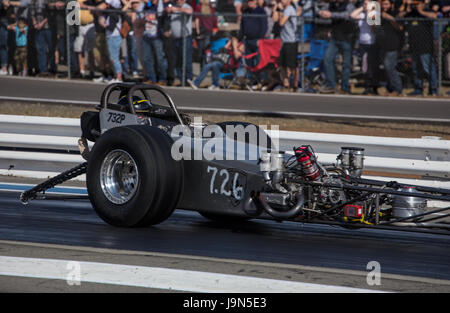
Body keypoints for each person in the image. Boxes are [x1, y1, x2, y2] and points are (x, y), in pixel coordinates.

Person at [398, 0, 438, 96]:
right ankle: (418, 89)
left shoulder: (427, 12)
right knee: (416, 69)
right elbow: (399, 17)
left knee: (427, 68)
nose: (416, 6)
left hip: (425, 46)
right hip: (413, 46)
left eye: (418, 3)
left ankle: (433, 89)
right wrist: (407, 8)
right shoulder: (411, 13)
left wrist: (421, 11)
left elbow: (434, 16)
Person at [319, 0, 356, 94]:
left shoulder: (349, 5)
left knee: (346, 64)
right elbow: (321, 10)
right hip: (335, 37)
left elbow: (348, 15)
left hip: (346, 37)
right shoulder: (331, 4)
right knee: (327, 59)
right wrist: (321, 12)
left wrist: (331, 15)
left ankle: (345, 87)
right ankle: (331, 85)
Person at [351, 0, 380, 95]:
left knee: (372, 66)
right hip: (363, 43)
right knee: (364, 67)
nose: (365, 5)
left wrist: (369, 12)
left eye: (367, 4)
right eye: (364, 3)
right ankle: (367, 86)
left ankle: (374, 86)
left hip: (372, 43)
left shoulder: (375, 14)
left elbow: (373, 26)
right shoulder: (362, 14)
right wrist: (362, 8)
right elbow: (352, 15)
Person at [375, 0, 403, 96]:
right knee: (386, 69)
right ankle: (390, 88)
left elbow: (400, 28)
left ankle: (397, 89)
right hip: (382, 45)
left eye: (386, 4)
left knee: (390, 67)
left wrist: (390, 18)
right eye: (383, 4)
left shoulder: (394, 13)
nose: (384, 6)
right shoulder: (379, 14)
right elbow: (373, 28)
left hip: (393, 45)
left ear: (391, 5)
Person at [273, 0, 298, 92]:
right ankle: (286, 84)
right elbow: (275, 19)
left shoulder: (289, 9)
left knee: (292, 65)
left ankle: (295, 86)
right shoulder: (284, 10)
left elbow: (281, 22)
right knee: (282, 64)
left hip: (291, 41)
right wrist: (277, 10)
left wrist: (280, 11)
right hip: (283, 41)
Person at [142, 0, 168, 84]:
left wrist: (159, 2)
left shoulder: (160, 6)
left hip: (157, 36)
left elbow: (160, 12)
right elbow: (139, 13)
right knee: (147, 58)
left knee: (160, 58)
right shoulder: (147, 6)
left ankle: (163, 78)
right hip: (146, 35)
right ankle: (151, 78)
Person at [167, 0, 193, 85]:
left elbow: (190, 11)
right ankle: (181, 79)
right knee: (177, 60)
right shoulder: (173, 6)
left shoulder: (186, 6)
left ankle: (189, 79)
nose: (179, 0)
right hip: (175, 38)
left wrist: (177, 9)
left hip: (185, 38)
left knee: (186, 59)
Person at [99, 0, 124, 82]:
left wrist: (103, 25)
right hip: (112, 37)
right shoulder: (112, 13)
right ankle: (117, 76)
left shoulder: (113, 14)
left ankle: (119, 77)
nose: (106, 5)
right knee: (113, 57)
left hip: (114, 37)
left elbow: (111, 28)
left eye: (107, 4)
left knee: (114, 58)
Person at [31, 0, 56, 76]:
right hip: (38, 28)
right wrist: (35, 22)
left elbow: (50, 14)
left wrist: (42, 23)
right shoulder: (34, 2)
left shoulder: (48, 2)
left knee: (51, 48)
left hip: (48, 28)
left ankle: (52, 68)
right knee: (41, 49)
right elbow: (32, 13)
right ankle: (43, 70)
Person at [194, 0, 217, 68]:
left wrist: (197, 31)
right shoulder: (200, 7)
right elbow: (197, 19)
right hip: (205, 31)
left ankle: (204, 67)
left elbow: (197, 20)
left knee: (205, 51)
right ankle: (204, 66)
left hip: (206, 32)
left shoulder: (210, 8)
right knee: (204, 50)